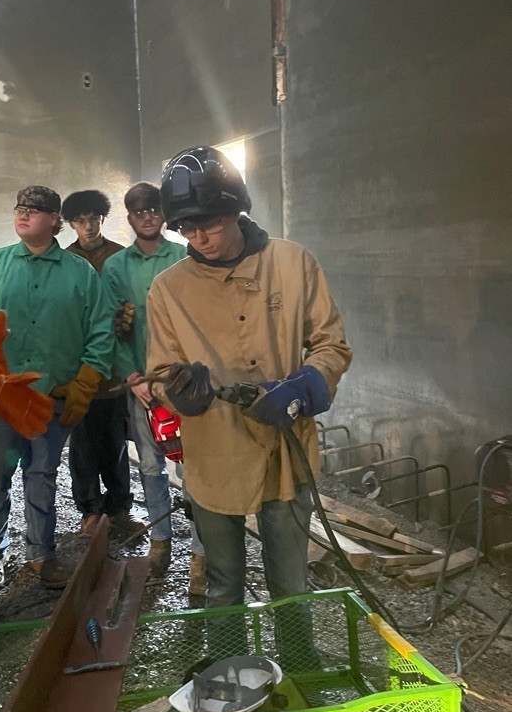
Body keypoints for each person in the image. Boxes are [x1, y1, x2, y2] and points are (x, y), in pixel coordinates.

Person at [146, 146, 352, 657]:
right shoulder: (167, 289)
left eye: (209, 225)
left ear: (236, 208)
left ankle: (301, 673)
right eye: (186, 230)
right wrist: (177, 391)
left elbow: (331, 344)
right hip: (215, 452)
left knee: (290, 584)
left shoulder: (293, 263)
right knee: (223, 583)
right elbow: (159, 373)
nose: (199, 239)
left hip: (286, 449)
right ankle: (230, 677)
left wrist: (301, 388)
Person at [0, 185, 114, 592]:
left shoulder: (80, 273)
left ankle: (41, 555)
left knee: (42, 475)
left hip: (51, 397)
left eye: (34, 210)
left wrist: (85, 382)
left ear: (55, 221)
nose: (23, 214)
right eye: (19, 208)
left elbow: (100, 332)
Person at [101, 182, 190, 579]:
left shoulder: (186, 258)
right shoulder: (117, 268)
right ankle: (161, 542)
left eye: (154, 209)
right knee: (151, 466)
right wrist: (133, 377)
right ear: (130, 217)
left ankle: (203, 551)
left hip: (185, 383)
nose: (148, 217)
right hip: (141, 384)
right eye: (139, 212)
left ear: (165, 214)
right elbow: (111, 328)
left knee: (194, 464)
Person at [62, 189, 144, 536]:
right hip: (78, 368)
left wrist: (128, 320)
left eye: (94, 219)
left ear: (102, 219)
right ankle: (90, 511)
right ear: (71, 224)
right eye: (80, 220)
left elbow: (131, 303)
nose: (88, 226)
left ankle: (120, 508)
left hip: (114, 366)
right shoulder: (64, 261)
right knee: (81, 444)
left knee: (115, 442)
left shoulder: (120, 258)